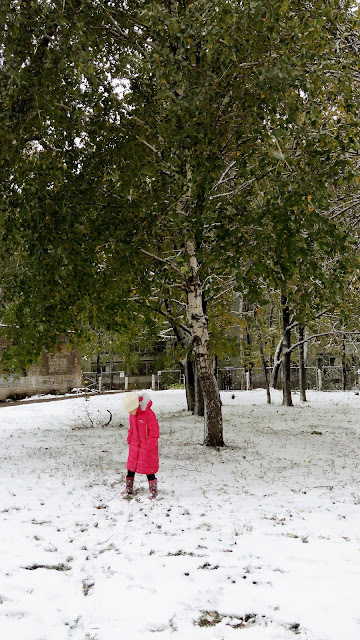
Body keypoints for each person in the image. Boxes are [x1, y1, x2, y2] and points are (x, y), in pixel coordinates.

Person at [122, 391, 159, 499]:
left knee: (149, 469)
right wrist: (129, 438)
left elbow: (154, 431)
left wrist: (150, 445)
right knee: (130, 468)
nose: (129, 413)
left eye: (130, 410)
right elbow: (132, 428)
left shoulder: (148, 414)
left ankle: (153, 491)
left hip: (146, 446)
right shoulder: (132, 416)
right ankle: (128, 489)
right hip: (135, 444)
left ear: (136, 406)